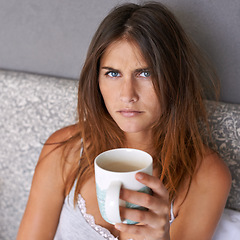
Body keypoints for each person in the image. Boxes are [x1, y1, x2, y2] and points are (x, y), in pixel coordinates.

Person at [17, 2, 231, 240]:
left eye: (145, 73)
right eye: (113, 73)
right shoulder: (65, 149)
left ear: (174, 78)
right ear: (96, 80)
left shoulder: (206, 175)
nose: (128, 94)